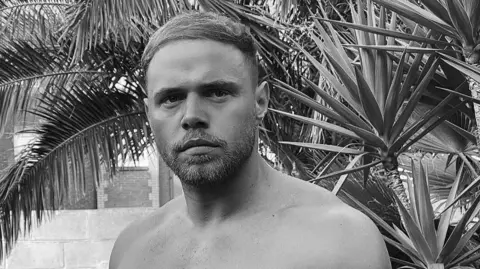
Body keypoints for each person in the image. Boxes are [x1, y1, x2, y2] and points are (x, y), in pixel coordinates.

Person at [109, 11, 391, 269]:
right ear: (149, 113)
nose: (192, 116)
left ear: (260, 102)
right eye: (171, 99)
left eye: (217, 92)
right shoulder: (132, 251)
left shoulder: (340, 242)